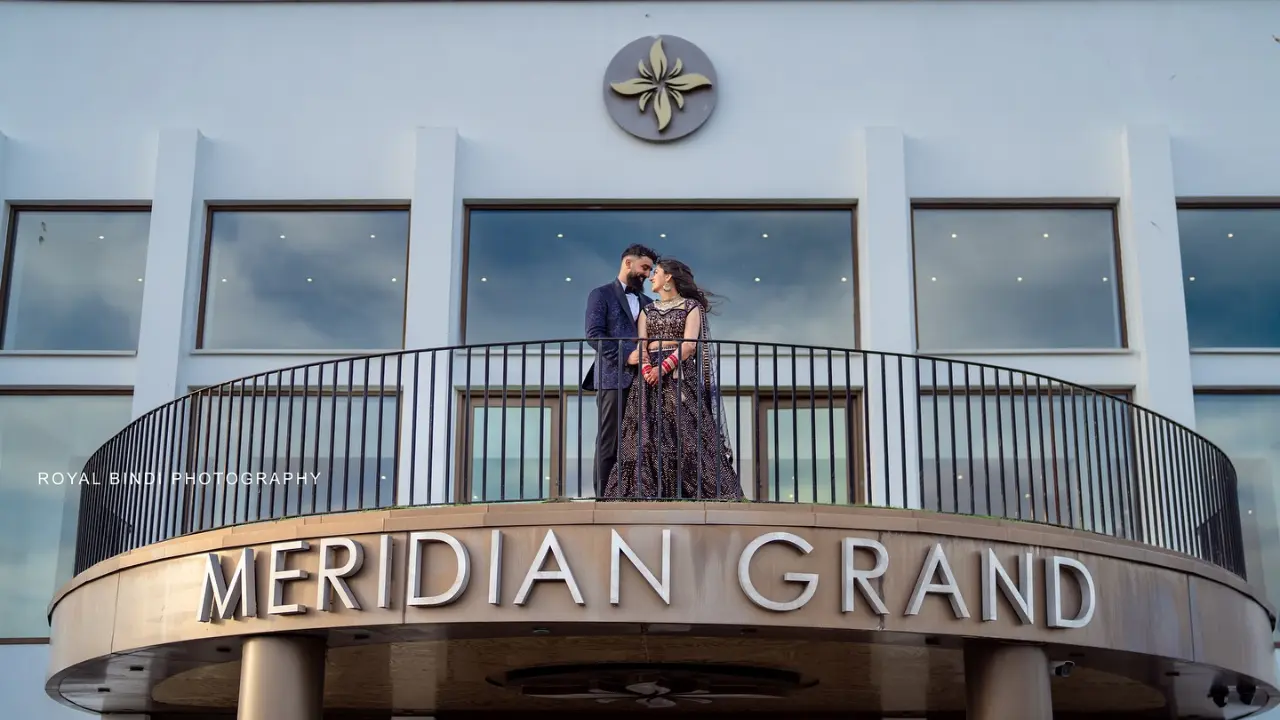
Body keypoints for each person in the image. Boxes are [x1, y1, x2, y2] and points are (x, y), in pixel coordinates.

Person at [603, 258, 742, 501]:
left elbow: (689, 345)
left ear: (669, 277)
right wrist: (647, 369)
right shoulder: (648, 310)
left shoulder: (691, 308)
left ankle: (692, 492)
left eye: (656, 272)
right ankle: (644, 493)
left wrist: (663, 368)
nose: (651, 277)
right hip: (647, 380)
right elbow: (642, 344)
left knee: (686, 433)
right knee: (645, 436)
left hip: (679, 375)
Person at [583, 244, 659, 492]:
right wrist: (627, 356)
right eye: (644, 267)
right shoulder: (601, 294)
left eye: (650, 270)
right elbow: (594, 335)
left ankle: (635, 494)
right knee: (610, 441)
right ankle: (603, 499)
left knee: (643, 442)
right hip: (612, 379)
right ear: (628, 262)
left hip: (645, 382)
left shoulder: (649, 302)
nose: (647, 275)